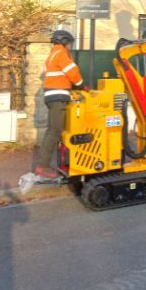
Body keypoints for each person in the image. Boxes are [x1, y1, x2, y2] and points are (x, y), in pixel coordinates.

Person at [35, 30, 86, 179]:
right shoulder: (61, 54)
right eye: (69, 43)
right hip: (58, 97)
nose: (70, 46)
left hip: (53, 96)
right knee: (55, 131)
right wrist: (81, 85)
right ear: (63, 41)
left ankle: (50, 163)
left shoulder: (53, 54)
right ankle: (42, 166)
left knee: (55, 130)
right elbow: (73, 73)